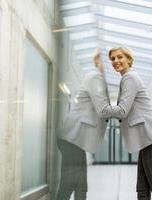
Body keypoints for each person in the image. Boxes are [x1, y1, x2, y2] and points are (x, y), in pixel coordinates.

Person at [103, 46, 152, 200]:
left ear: (129, 59)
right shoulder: (127, 78)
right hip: (147, 140)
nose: (116, 61)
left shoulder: (130, 78)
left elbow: (122, 111)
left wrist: (102, 110)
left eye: (120, 57)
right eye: (113, 59)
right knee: (142, 189)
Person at [57, 48, 110, 200]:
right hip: (71, 138)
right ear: (99, 61)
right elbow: (102, 109)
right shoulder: (94, 77)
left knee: (81, 184)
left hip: (76, 140)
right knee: (69, 182)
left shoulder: (100, 81)